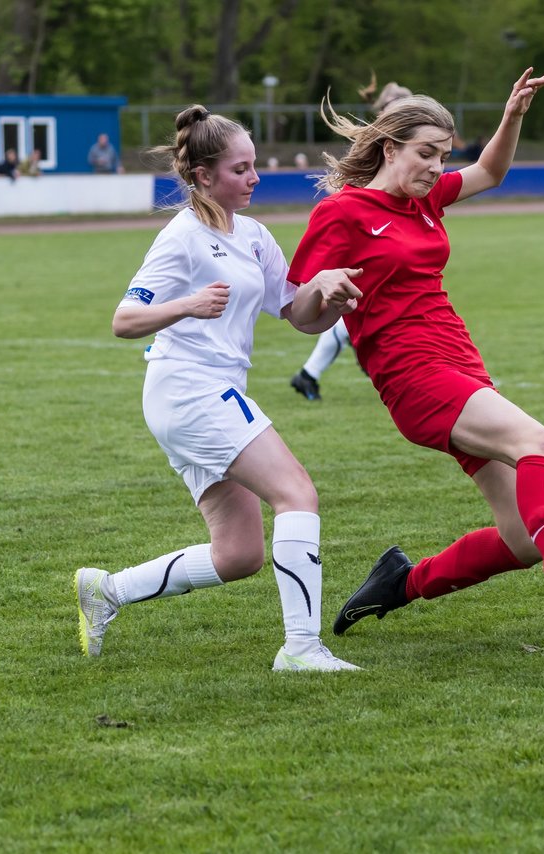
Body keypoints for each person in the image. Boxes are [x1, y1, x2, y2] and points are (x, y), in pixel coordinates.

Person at [287, 69, 544, 639]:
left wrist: (512, 117)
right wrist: (321, 289)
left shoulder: (426, 200)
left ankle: (400, 583)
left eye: (443, 156)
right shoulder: (343, 212)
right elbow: (301, 315)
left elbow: (491, 172)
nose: (435, 168)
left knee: (524, 539)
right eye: (426, 154)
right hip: (413, 375)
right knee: (538, 441)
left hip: (460, 363)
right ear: (389, 147)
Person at [75, 105, 365, 672]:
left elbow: (296, 313)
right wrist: (187, 305)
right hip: (189, 391)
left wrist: (329, 292)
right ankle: (302, 648)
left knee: (238, 555)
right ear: (203, 176)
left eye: (255, 166)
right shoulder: (181, 237)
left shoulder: (254, 236)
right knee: (297, 494)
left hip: (206, 394)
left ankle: (106, 590)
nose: (254, 177)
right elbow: (123, 319)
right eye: (240, 168)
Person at [287, 77, 416, 403]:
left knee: (355, 313)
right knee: (354, 311)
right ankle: (318, 371)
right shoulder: (376, 148)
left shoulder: (405, 150)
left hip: (383, 236)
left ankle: (313, 373)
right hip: (361, 238)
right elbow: (336, 184)